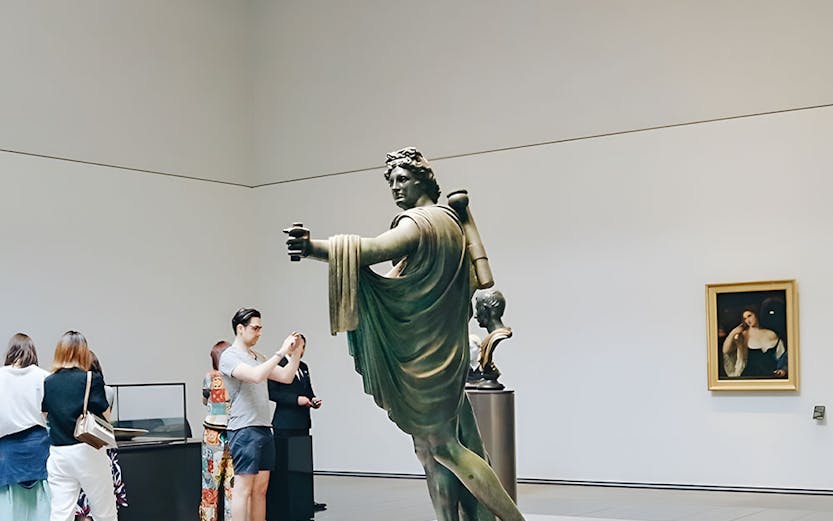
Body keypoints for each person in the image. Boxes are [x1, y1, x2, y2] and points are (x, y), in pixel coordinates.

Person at [285, 147, 524, 521]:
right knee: (437, 449)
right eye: (390, 181)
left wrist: (312, 247)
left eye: (403, 179)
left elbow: (372, 250)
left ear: (424, 181)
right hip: (443, 353)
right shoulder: (451, 223)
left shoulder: (421, 222)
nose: (395, 188)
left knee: (443, 447)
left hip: (429, 360)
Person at [218, 308, 304, 521]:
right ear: (240, 329)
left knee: (261, 489)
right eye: (255, 328)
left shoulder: (259, 357)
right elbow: (256, 376)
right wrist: (281, 352)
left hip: (264, 427)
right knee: (243, 489)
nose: (259, 333)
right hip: (244, 428)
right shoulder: (229, 356)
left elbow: (285, 377)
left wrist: (295, 355)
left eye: (260, 328)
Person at [41, 331, 118, 521]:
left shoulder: (48, 382)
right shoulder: (91, 379)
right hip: (88, 451)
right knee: (104, 511)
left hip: (59, 454)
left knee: (60, 513)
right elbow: (106, 417)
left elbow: (45, 415)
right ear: (83, 352)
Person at [267, 334, 326, 513]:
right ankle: (284, 500)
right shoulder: (278, 366)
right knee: (285, 465)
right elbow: (273, 394)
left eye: (302, 346)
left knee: (302, 465)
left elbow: (308, 390)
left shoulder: (304, 367)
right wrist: (295, 400)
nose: (299, 350)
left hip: (302, 421)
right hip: (284, 422)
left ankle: (304, 498)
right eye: (296, 346)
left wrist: (313, 400)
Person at [0, 333, 51, 521]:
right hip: (39, 449)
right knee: (42, 506)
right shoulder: (45, 377)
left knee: (9, 507)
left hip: (6, 453)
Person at [75, 352, 127, 521]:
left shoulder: (76, 391)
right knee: (103, 504)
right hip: (102, 448)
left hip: (81, 448)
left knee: (84, 505)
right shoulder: (107, 391)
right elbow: (107, 422)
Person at [200, 340, 234, 521]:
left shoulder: (210, 377)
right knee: (232, 486)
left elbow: (205, 400)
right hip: (234, 433)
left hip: (212, 434)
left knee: (210, 485)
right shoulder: (236, 378)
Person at [722, 307, 787, 378]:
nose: (748, 320)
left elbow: (781, 356)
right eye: (745, 318)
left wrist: (782, 369)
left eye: (749, 316)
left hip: (769, 375)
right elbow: (726, 351)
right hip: (749, 376)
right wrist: (732, 333)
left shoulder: (771, 334)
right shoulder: (742, 336)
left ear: (756, 315)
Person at [471, 289, 513, 390]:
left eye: (478, 309)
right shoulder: (489, 339)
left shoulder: (496, 337)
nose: (475, 316)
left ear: (486, 310)